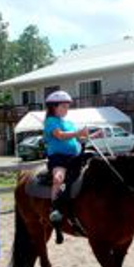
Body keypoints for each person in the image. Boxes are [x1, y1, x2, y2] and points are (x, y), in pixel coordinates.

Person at [44, 90, 89, 243]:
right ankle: (54, 209)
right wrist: (78, 133)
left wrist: (90, 136)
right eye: (63, 106)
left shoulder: (69, 122)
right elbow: (60, 136)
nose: (66, 109)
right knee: (58, 178)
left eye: (67, 106)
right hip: (59, 159)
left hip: (75, 157)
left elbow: (79, 138)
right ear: (53, 107)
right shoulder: (50, 121)